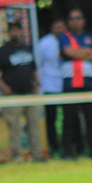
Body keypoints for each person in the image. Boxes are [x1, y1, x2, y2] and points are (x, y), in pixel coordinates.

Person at [0, 20, 44, 162]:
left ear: (21, 31)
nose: (15, 33)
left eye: (17, 30)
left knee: (33, 125)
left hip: (29, 93)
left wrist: (37, 83)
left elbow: (33, 68)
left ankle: (37, 155)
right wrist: (4, 87)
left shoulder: (27, 49)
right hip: (12, 95)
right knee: (14, 127)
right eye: (12, 30)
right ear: (8, 33)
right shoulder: (3, 51)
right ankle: (17, 156)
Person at [59, 9, 92, 159]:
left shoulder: (90, 37)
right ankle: (68, 152)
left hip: (88, 82)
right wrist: (87, 52)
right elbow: (69, 52)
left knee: (91, 118)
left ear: (83, 20)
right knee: (69, 119)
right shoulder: (64, 37)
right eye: (72, 19)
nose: (76, 21)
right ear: (68, 22)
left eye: (78, 18)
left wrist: (78, 53)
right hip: (70, 83)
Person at [37, 18, 67, 157]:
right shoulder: (44, 43)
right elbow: (39, 64)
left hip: (66, 83)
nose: (59, 30)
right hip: (49, 85)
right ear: (52, 28)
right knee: (51, 118)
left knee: (68, 118)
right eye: (56, 27)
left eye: (61, 27)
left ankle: (68, 145)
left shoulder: (69, 40)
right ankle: (54, 146)